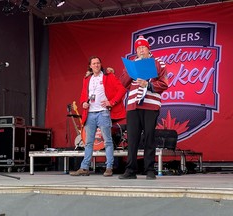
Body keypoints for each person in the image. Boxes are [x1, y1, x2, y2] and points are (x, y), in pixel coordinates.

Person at [119, 35, 168, 180]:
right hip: (133, 105)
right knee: (132, 139)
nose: (141, 50)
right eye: (138, 48)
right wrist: (131, 68)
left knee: (149, 138)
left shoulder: (158, 62)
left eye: (143, 47)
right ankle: (130, 170)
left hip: (150, 105)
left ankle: (149, 170)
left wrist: (148, 85)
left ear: (148, 49)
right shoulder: (132, 63)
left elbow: (164, 83)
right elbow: (124, 82)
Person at [70, 56, 127, 177]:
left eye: (98, 63)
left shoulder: (108, 76)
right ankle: (84, 167)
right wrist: (83, 103)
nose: (96, 65)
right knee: (88, 142)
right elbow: (83, 94)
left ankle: (109, 167)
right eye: (94, 63)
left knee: (107, 141)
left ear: (101, 65)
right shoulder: (87, 79)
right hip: (90, 113)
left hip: (103, 112)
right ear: (90, 66)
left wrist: (111, 102)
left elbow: (122, 90)